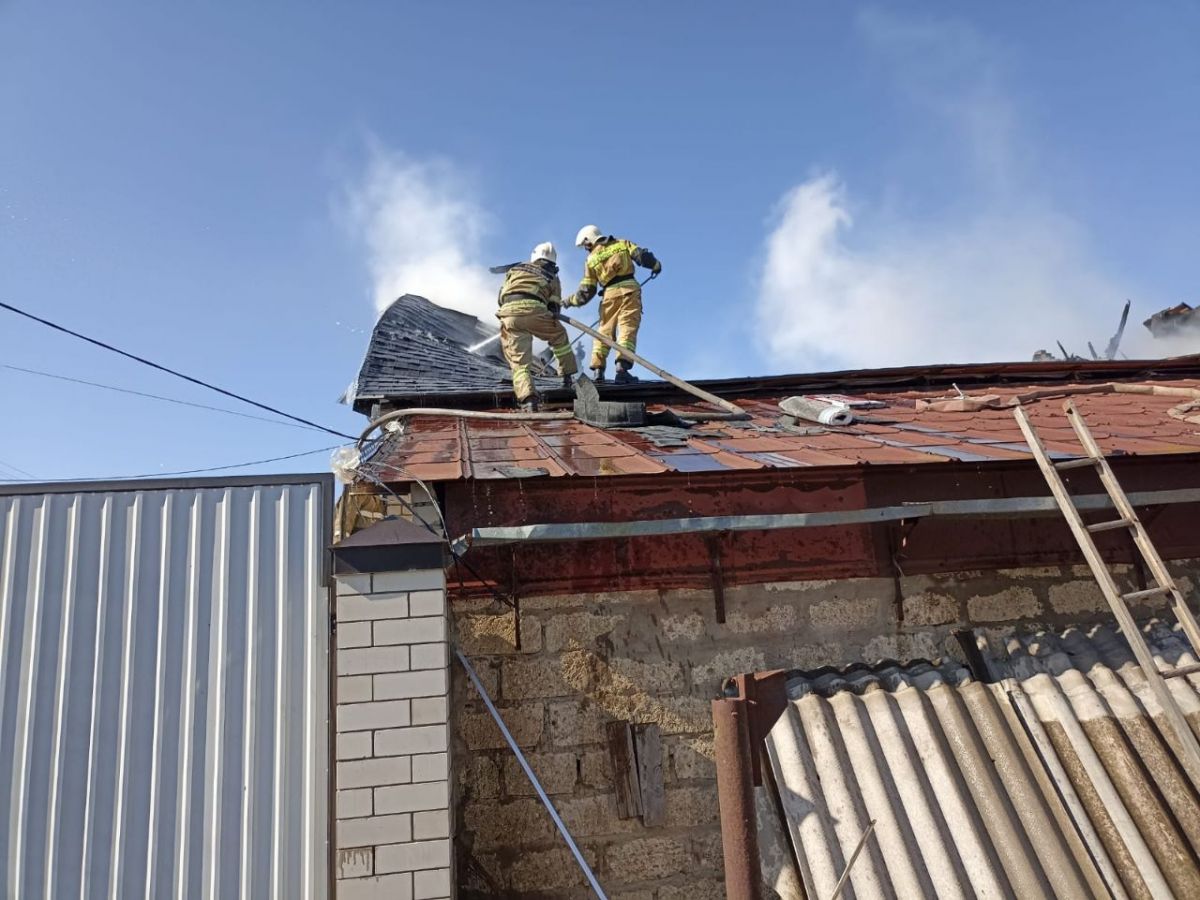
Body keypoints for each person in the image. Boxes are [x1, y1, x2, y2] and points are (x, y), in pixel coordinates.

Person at [563, 224, 661, 383]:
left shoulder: (590, 259)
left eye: (586, 245)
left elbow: (587, 291)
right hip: (629, 291)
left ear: (589, 239)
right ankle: (622, 369)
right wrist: (655, 265)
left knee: (604, 331)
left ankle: (598, 370)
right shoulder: (622, 244)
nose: (586, 249)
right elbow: (642, 256)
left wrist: (569, 301)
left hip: (608, 296)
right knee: (627, 327)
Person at [495, 242, 577, 410]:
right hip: (535, 311)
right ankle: (567, 377)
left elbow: (500, 296)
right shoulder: (552, 276)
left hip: (509, 314)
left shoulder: (515, 269)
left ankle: (529, 400)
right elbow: (554, 307)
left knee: (519, 363)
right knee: (559, 335)